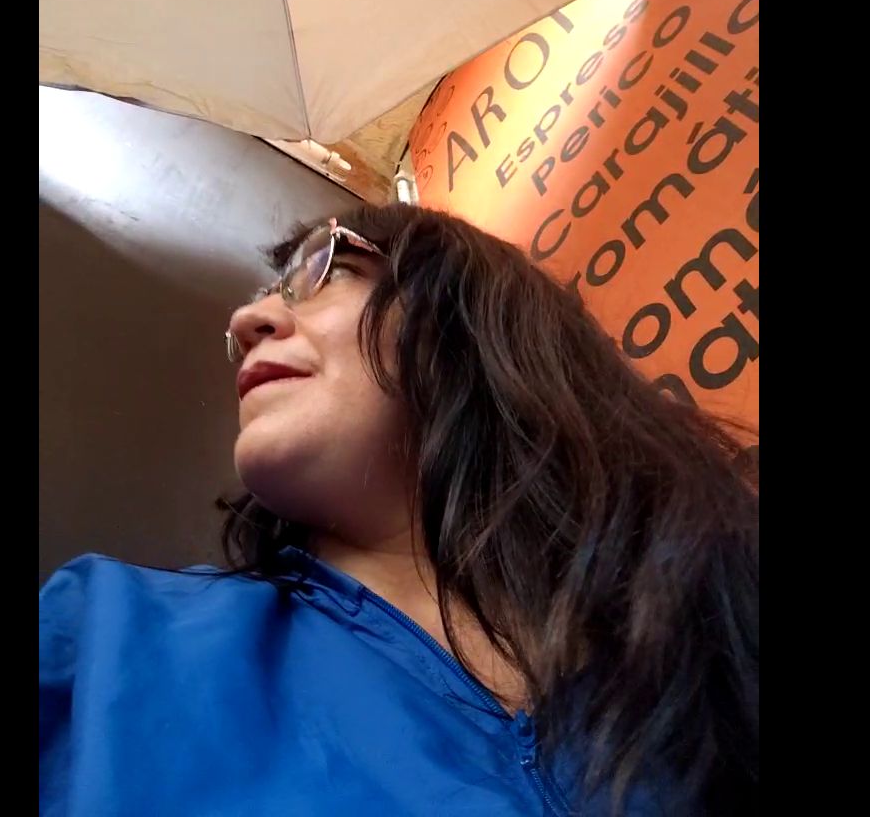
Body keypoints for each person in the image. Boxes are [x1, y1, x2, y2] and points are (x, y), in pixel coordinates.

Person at [39, 203, 758, 815]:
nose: (248, 318)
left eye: (322, 270)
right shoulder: (100, 634)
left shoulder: (717, 626)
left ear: (467, 318)